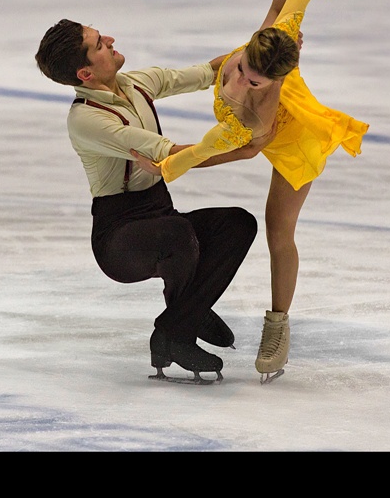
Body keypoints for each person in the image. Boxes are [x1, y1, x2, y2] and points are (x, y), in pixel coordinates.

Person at [129, 0, 372, 383]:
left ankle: (278, 325)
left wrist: (169, 164)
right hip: (262, 113)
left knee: (278, 231)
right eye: (241, 68)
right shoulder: (272, 37)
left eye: (254, 82)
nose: (239, 82)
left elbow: (219, 149)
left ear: (275, 81)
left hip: (295, 141)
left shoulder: (255, 119)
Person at [34, 21, 262, 383]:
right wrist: (245, 150)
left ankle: (184, 313)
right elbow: (171, 155)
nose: (110, 39)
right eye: (98, 43)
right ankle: (179, 333)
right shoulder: (87, 120)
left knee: (237, 224)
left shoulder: (136, 83)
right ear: (86, 72)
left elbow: (210, 71)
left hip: (161, 214)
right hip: (119, 238)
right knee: (176, 233)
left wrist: (267, 51)